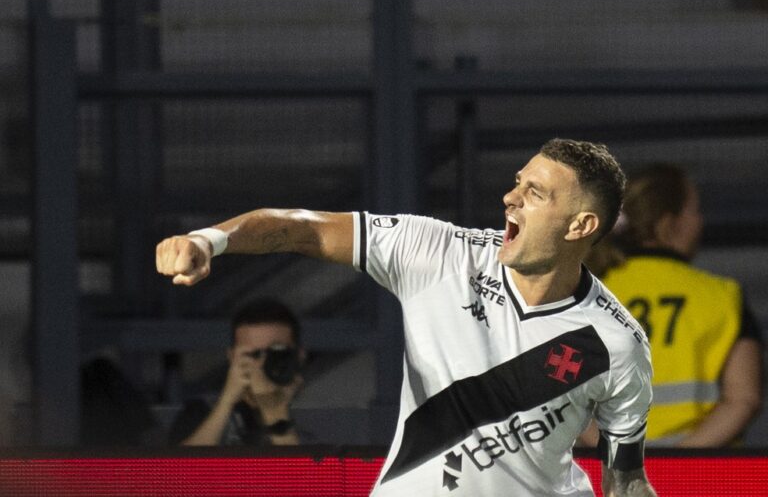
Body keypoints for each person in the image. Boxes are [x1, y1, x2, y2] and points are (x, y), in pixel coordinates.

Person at [156, 138, 657, 496]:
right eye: (517, 183)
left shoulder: (616, 343)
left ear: (581, 225)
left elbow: (625, 478)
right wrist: (210, 240)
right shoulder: (436, 254)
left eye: (535, 193)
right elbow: (298, 230)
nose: (510, 197)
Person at [593, 163, 763, 447]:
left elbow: (563, 397)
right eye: (695, 210)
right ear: (671, 222)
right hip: (704, 479)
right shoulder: (723, 296)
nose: (700, 221)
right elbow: (745, 399)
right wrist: (677, 465)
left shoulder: (587, 292)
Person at [168, 298, 305, 446]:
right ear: (232, 357)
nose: (262, 364)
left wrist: (275, 412)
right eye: (254, 354)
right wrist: (226, 401)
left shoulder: (319, 408)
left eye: (276, 354)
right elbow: (184, 468)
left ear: (299, 355)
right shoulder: (201, 411)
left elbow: (304, 469)